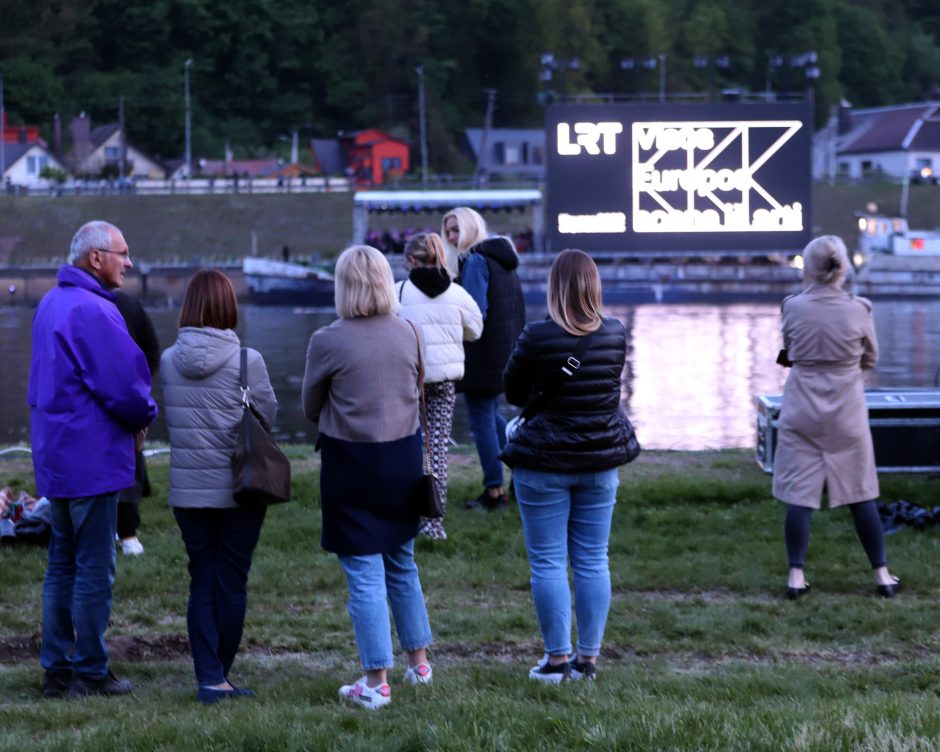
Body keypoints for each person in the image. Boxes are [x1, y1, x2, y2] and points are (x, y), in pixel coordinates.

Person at [28, 220, 158, 699]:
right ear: (96, 258)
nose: (129, 261)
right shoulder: (96, 311)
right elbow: (125, 388)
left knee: (60, 565)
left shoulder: (50, 304)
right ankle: (91, 669)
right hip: (94, 460)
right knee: (94, 567)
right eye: (122, 253)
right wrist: (147, 414)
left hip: (55, 458)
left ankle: (56, 671)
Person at [302, 245, 433, 711]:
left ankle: (376, 681)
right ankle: (419, 663)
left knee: (363, 573)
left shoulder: (328, 339)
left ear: (344, 286)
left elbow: (310, 406)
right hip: (401, 459)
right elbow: (418, 392)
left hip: (351, 465)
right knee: (402, 562)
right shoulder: (411, 331)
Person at [500, 249, 637, 683]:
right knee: (594, 560)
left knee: (547, 563)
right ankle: (588, 661)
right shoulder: (615, 333)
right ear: (594, 286)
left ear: (554, 287)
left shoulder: (537, 336)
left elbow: (515, 393)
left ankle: (557, 660)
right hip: (600, 461)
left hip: (544, 462)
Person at [160, 269, 278, 704]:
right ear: (230, 306)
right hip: (239, 488)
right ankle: (218, 676)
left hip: (187, 492)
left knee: (201, 579)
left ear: (188, 307)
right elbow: (267, 417)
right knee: (232, 581)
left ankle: (209, 675)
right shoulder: (249, 360)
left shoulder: (169, 360)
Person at [772, 235, 900, 599]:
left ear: (809, 267)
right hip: (847, 411)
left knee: (800, 494)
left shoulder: (792, 307)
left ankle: (796, 577)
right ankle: (882, 575)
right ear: (843, 266)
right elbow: (870, 358)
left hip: (802, 408)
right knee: (862, 493)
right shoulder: (860, 309)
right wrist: (850, 379)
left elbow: (788, 353)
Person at [395, 232, 483, 539]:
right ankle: (434, 523)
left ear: (410, 260)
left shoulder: (400, 292)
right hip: (444, 382)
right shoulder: (457, 295)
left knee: (406, 448)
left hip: (408, 380)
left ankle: (402, 515)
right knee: (437, 452)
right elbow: (475, 330)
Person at [442, 207, 525, 510]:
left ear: (471, 228)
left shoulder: (475, 261)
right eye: (448, 231)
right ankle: (526, 466)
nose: (451, 237)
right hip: (505, 352)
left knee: (481, 421)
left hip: (482, 354)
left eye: (456, 230)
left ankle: (494, 491)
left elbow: (476, 315)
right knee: (491, 417)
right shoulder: (504, 259)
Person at [113, 290, 160, 556]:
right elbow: (151, 350)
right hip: (129, 394)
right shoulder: (128, 303)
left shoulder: (68, 303)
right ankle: (128, 535)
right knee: (130, 458)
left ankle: (110, 532)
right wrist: (140, 383)